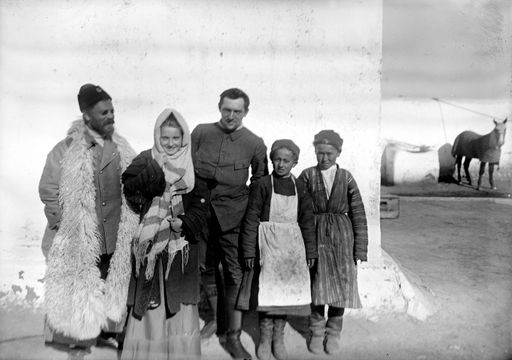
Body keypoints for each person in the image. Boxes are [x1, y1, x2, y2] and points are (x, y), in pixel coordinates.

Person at [39, 83, 139, 353]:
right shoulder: (65, 150)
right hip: (82, 238)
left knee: (108, 284)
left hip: (112, 236)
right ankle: (77, 344)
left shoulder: (122, 147)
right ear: (87, 117)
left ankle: (100, 332)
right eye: (104, 112)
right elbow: (48, 190)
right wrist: (64, 225)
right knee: (78, 294)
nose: (111, 116)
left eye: (112, 110)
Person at [120, 108, 209, 360]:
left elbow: (203, 207)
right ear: (157, 136)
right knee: (150, 301)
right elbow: (130, 189)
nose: (170, 144)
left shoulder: (194, 165)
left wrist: (185, 222)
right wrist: (154, 178)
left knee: (178, 303)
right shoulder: (146, 159)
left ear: (184, 138)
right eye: (165, 138)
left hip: (181, 249)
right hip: (151, 248)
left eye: (175, 138)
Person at [191, 88, 268, 360]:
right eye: (227, 109)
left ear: (246, 112)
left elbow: (260, 183)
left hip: (234, 218)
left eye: (237, 111)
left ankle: (233, 337)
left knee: (235, 275)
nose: (231, 115)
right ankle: (214, 319)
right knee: (205, 268)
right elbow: (187, 170)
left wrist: (252, 216)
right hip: (201, 216)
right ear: (219, 108)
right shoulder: (200, 133)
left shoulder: (255, 143)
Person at [238, 140, 317, 360]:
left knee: (285, 296)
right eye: (277, 159)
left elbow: (307, 220)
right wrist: (249, 252)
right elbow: (251, 218)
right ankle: (264, 339)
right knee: (268, 293)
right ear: (272, 159)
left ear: (295, 162)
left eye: (286, 160)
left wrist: (310, 252)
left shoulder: (300, 186)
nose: (281, 164)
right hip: (267, 247)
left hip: (292, 248)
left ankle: (278, 338)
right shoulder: (263, 185)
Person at [298, 129, 368, 355]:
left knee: (340, 285)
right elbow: (297, 208)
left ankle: (334, 332)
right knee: (317, 285)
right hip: (315, 236)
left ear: (339, 152)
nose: (324, 158)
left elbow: (358, 212)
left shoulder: (346, 177)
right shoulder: (307, 176)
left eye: (329, 153)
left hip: (342, 238)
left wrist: (360, 247)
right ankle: (317, 332)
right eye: (320, 153)